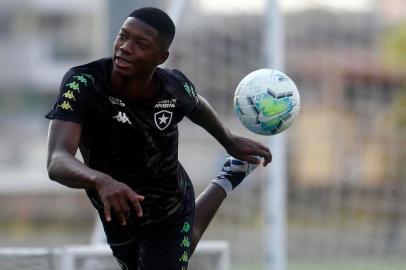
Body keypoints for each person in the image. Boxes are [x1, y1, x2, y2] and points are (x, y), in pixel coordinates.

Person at [46, 7, 272, 270]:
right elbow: (57, 161)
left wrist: (228, 140)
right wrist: (101, 180)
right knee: (187, 239)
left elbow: (197, 105)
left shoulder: (172, 88)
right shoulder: (83, 83)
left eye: (141, 43)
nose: (125, 48)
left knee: (174, 245)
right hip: (118, 209)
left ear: (161, 57)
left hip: (170, 202)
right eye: (123, 36)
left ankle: (224, 179)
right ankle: (228, 177)